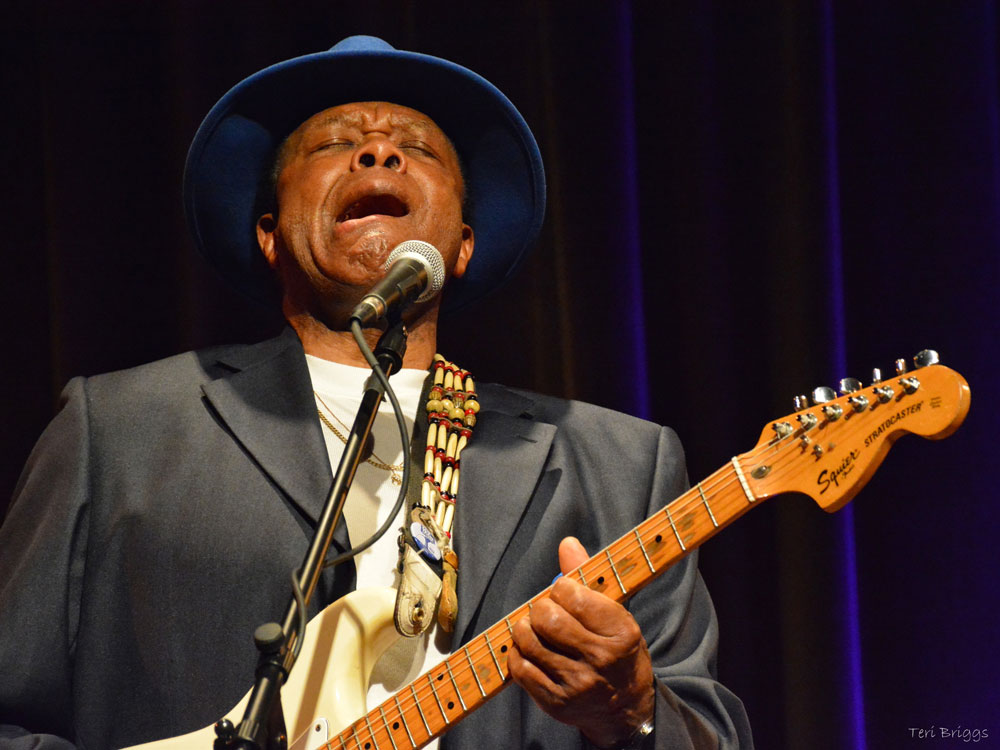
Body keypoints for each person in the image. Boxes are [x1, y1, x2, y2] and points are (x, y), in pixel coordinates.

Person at [0, 36, 752, 750]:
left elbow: (710, 731)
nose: (378, 149)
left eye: (417, 149)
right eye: (332, 144)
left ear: (462, 243)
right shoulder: (121, 427)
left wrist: (634, 713)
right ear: (268, 232)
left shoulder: (620, 461)